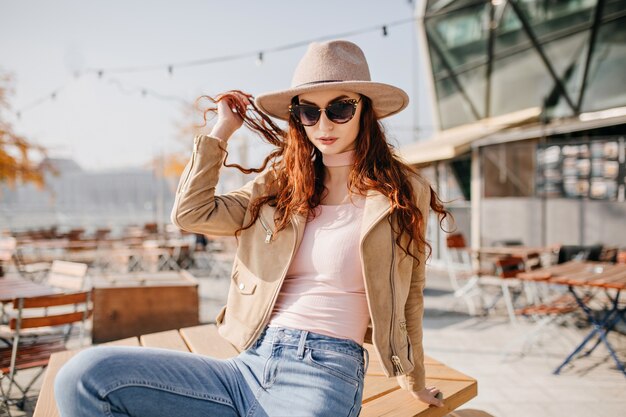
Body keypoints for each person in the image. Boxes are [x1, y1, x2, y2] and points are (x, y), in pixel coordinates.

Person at [55, 39, 448, 417]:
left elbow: (410, 294)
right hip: (248, 365)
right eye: (309, 112)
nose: (323, 123)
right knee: (84, 377)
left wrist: (413, 380)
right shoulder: (283, 183)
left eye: (339, 109)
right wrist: (222, 129)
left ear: (365, 110)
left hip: (326, 373)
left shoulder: (401, 190)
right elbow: (192, 213)